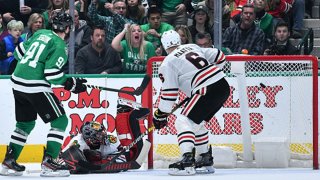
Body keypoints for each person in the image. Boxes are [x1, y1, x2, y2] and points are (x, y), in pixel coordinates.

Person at [0, 12, 87, 177]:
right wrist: (71, 84)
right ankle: (49, 164)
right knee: (60, 120)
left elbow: (18, 53)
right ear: (68, 29)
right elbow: (52, 74)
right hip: (35, 85)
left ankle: (9, 161)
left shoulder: (40, 33)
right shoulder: (61, 46)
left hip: (17, 82)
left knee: (25, 124)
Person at [152, 30, 230, 175]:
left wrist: (160, 114)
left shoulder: (167, 62)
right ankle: (204, 159)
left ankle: (187, 161)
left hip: (206, 88)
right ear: (179, 41)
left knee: (183, 121)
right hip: (223, 86)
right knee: (196, 122)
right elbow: (220, 56)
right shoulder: (193, 47)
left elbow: (169, 93)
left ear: (163, 46)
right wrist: (210, 75)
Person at [61, 99, 151, 174]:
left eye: (103, 133)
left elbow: (123, 153)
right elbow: (64, 158)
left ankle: (124, 110)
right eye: (99, 135)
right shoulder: (78, 142)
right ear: (90, 138)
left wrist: (109, 161)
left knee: (124, 156)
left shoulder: (110, 139)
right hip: (88, 161)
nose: (104, 136)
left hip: (105, 158)